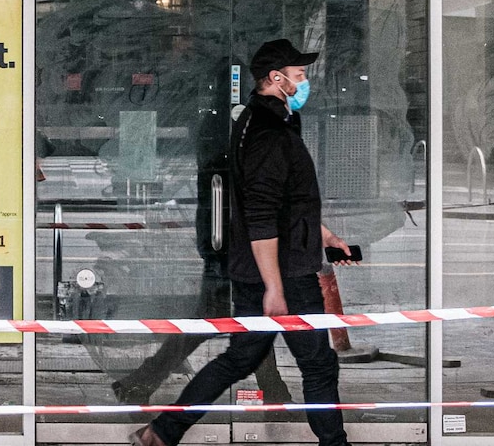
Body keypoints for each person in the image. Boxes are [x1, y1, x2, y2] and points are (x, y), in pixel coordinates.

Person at [129, 39, 356, 446]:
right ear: (276, 78)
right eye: (299, 75)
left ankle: (162, 432)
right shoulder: (268, 132)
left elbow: (288, 202)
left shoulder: (271, 120)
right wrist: (274, 288)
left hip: (270, 268)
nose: (305, 82)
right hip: (286, 273)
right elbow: (262, 215)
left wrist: (326, 236)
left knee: (240, 358)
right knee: (318, 366)